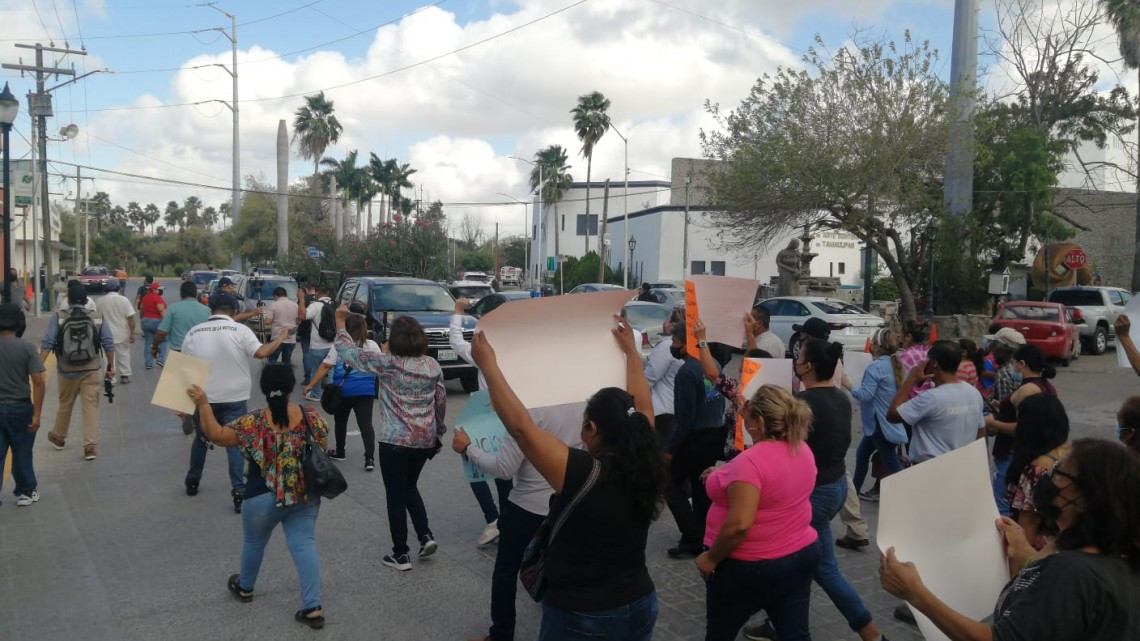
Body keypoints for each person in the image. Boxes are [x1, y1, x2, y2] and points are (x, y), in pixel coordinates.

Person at [469, 316, 664, 641]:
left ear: (591, 430)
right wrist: (630, 350)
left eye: (585, 423)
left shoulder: (584, 473)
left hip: (584, 614)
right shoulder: (645, 462)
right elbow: (642, 405)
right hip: (640, 602)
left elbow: (522, 429)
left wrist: (488, 365)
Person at [881, 438, 1140, 641]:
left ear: (1086, 498)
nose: (1048, 477)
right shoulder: (1109, 555)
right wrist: (1025, 557)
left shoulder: (1074, 573)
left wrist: (915, 593)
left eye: (1059, 473)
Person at [187, 365, 329, 630]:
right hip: (303, 495)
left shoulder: (253, 422)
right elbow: (323, 442)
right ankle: (312, 607)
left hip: (262, 496)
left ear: (263, 390)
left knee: (254, 542)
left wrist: (204, 404)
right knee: (304, 545)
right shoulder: (310, 415)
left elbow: (217, 435)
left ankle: (245, 588)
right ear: (291, 387)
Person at [697, 385, 820, 641]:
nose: (744, 423)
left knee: (720, 632)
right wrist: (723, 474)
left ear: (760, 422)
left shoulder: (750, 463)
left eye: (748, 419)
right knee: (795, 633)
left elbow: (739, 525)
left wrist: (710, 558)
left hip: (750, 566)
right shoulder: (802, 449)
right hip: (799, 554)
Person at [333, 307, 446, 571]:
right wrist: (438, 432)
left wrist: (340, 323)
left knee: (395, 495)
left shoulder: (388, 362)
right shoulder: (432, 365)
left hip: (395, 440)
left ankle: (400, 554)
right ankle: (425, 535)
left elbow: (350, 353)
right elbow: (440, 402)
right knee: (409, 487)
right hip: (424, 440)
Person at [794, 338, 887, 641]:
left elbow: (786, 450)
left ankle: (869, 630)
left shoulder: (804, 404)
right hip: (835, 486)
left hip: (814, 493)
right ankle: (783, 620)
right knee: (800, 562)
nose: (795, 360)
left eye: (799, 356)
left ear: (807, 367)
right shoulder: (840, 397)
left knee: (825, 569)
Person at [182, 293, 290, 513]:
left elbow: (184, 367)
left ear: (211, 309)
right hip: (235, 397)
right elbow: (261, 353)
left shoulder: (194, 332)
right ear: (234, 311)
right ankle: (239, 492)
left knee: (201, 439)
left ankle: (192, 481)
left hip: (204, 397)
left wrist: (181, 402)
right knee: (235, 441)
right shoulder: (241, 330)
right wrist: (280, 338)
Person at [451, 298, 514, 547]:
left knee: (473, 465)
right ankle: (506, 520)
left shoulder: (483, 351)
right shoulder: (517, 347)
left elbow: (456, 342)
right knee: (505, 472)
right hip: (511, 414)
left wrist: (457, 312)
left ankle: (493, 518)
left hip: (485, 415)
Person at [664, 319, 726, 558]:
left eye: (674, 340)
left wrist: (670, 449)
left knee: (670, 484)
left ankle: (692, 536)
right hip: (714, 435)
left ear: (685, 343)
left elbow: (684, 418)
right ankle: (705, 535)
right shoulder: (714, 364)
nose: (672, 344)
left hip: (694, 438)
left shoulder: (686, 372)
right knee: (702, 489)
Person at [42, 284, 115, 461]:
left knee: (65, 403)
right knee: (90, 407)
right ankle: (89, 446)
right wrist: (110, 367)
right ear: (86, 300)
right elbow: (108, 342)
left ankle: (59, 437)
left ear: (68, 300)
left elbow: (48, 342)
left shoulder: (58, 317)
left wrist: (39, 366)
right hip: (91, 370)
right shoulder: (98, 317)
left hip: (66, 370)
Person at [887, 340, 985, 464]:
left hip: (930, 468)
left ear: (934, 364)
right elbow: (981, 431)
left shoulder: (931, 398)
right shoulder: (973, 393)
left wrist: (910, 380)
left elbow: (892, 415)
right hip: (961, 466)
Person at [986, 342, 1056, 515]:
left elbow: (1023, 428)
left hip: (1013, 453)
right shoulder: (1046, 386)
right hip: (1032, 453)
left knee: (1003, 507)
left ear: (1022, 364)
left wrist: (993, 423)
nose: (1012, 367)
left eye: (1014, 363)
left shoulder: (1027, 390)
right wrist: (1002, 407)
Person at [303, 313, 377, 471]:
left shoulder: (339, 346)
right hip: (365, 391)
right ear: (364, 328)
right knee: (366, 425)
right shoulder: (372, 345)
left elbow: (326, 366)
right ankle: (369, 458)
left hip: (343, 391)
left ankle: (340, 451)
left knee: (341, 422)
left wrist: (311, 384)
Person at [843, 328, 907, 501]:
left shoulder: (875, 367)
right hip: (888, 422)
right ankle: (854, 493)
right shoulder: (897, 364)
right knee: (862, 454)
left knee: (892, 463)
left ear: (877, 347)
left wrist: (848, 385)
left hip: (879, 424)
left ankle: (909, 495)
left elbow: (865, 395)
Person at [1004, 395, 1069, 550]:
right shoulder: (1073, 454)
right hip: (1068, 544)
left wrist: (1021, 566)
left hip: (1041, 552)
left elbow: (1029, 524)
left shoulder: (1037, 469)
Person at [0, 303, 46, 507]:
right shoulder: (26, 347)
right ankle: (25, 492)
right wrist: (37, 414)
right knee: (22, 450)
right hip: (20, 407)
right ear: (19, 323)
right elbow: (38, 381)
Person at [983, 327, 1026, 516]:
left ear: (1002, 350)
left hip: (1008, 443)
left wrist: (991, 420)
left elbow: (1007, 413)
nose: (991, 350)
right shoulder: (1021, 372)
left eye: (994, 346)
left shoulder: (1003, 374)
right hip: (1022, 445)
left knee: (1001, 498)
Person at [644, 308, 684, 447]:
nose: (664, 323)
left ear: (673, 324)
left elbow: (649, 377)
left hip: (662, 410)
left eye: (667, 319)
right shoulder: (685, 346)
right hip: (674, 407)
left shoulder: (667, 345)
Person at [299, 282, 336, 401]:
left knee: (315, 370)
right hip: (332, 344)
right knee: (330, 369)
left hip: (317, 345)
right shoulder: (335, 304)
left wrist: (301, 299)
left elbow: (302, 316)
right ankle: (331, 394)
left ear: (317, 293)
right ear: (328, 293)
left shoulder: (315, 306)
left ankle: (316, 394)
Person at [95, 280, 136, 385]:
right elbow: (130, 318)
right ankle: (125, 375)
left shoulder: (100, 301)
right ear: (118, 288)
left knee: (106, 357)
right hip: (122, 332)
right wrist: (132, 333)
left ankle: (110, 378)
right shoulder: (124, 300)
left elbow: (97, 319)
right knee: (124, 353)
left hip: (105, 334)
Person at [262, 286, 299, 365]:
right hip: (291, 338)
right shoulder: (295, 305)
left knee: (272, 359)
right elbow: (298, 321)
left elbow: (268, 321)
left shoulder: (274, 305)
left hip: (277, 337)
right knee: (286, 361)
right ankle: (285, 376)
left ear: (275, 295)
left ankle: (272, 376)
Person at [897, 321, 932, 398]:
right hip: (930, 399)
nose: (899, 338)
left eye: (901, 334)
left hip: (912, 401)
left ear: (908, 336)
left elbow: (900, 383)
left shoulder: (905, 356)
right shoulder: (929, 352)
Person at [140, 282, 168, 369]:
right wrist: (167, 322)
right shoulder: (157, 298)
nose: (161, 291)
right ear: (155, 289)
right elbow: (161, 310)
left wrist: (142, 320)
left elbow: (141, 309)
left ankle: (148, 363)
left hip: (145, 321)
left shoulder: (145, 297)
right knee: (164, 339)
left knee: (148, 342)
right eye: (160, 289)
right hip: (156, 321)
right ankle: (161, 359)